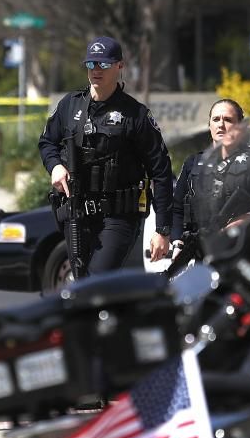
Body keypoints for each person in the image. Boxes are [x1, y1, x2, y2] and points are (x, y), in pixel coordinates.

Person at [38, 36, 173, 278]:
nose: (96, 70)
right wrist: (55, 166)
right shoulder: (70, 105)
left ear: (119, 66)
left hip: (118, 216)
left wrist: (162, 229)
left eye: (103, 64)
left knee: (96, 279)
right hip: (76, 211)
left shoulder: (136, 114)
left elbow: (161, 170)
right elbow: (47, 142)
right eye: (91, 64)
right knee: (81, 282)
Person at [170, 98, 250, 258]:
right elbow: (177, 208)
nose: (221, 125)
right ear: (209, 125)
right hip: (198, 249)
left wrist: (248, 219)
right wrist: (177, 242)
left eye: (228, 120)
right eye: (215, 119)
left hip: (241, 248)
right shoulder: (193, 163)